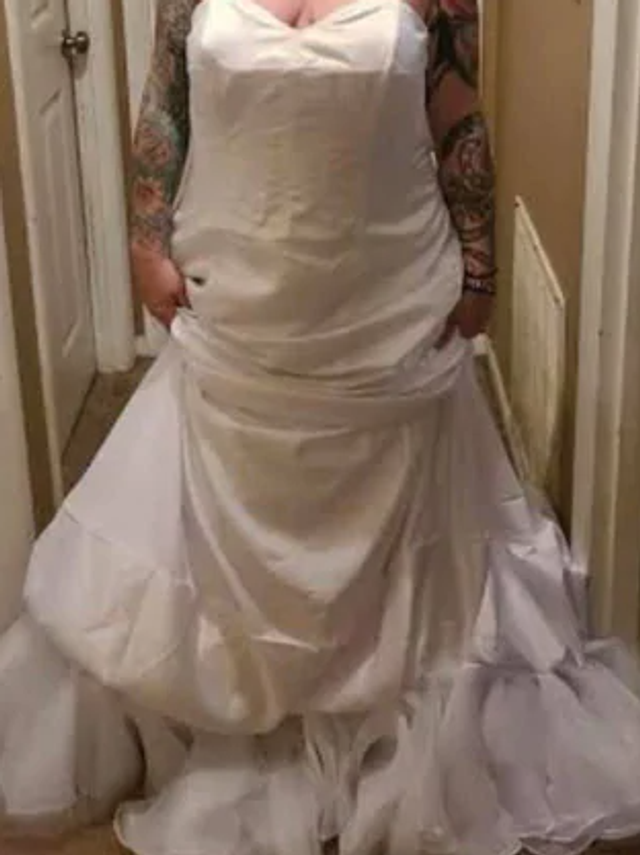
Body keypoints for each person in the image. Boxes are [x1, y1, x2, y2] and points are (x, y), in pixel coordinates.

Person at [2, 1, 640, 854]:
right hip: (239, 298)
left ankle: (382, 707)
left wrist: (481, 263)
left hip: (387, 299)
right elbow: (166, 99)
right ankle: (238, 695)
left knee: (399, 536)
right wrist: (146, 241)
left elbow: (458, 117)